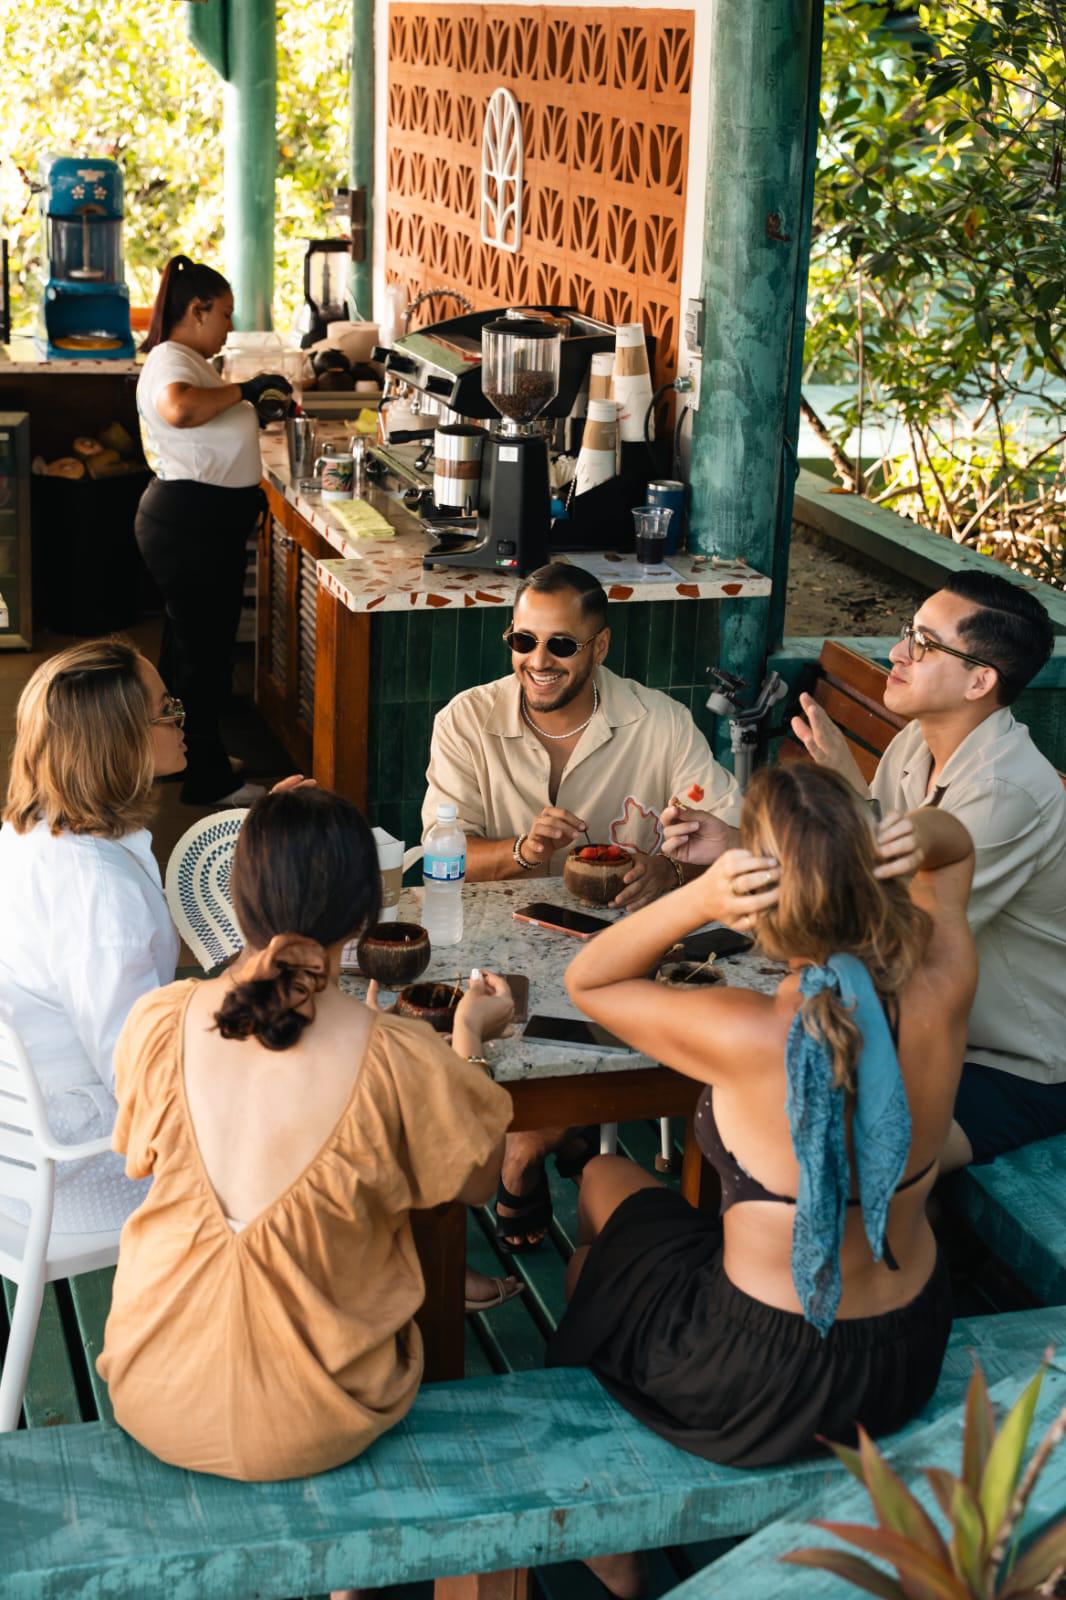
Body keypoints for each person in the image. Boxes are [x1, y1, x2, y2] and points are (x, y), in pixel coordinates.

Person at [548, 765, 975, 1532]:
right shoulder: (942, 982)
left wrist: (698, 896)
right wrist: (922, 830)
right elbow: (954, 854)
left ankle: (609, 1526)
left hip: (763, 1376)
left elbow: (590, 981)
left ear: (763, 897)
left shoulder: (748, 1031)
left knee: (595, 1219)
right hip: (906, 1350)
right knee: (616, 1192)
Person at [97, 787, 515, 1481]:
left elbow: (145, 1153)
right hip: (320, 1416)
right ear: (363, 915)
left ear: (237, 899)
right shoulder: (398, 1057)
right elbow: (476, 1185)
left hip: (150, 1386)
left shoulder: (159, 1021)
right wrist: (470, 1037)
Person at [423, 561, 743, 1253]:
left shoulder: (659, 722)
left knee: (617, 1015)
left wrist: (670, 864)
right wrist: (524, 852)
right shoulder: (466, 719)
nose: (537, 662)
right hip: (493, 947)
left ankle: (530, 1145)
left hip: (624, 955)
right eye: (522, 641)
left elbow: (729, 831)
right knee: (500, 1015)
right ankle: (546, 1140)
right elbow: (444, 856)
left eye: (560, 645)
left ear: (599, 648)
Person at [788, 572, 1064, 1170]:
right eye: (909, 633)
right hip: (923, 1029)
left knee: (852, 1155)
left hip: (1013, 1064)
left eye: (925, 644)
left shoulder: (1005, 789)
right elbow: (872, 867)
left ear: (980, 681)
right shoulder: (918, 739)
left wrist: (841, 794)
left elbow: (892, 933)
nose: (896, 652)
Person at [0, 638, 186, 1232]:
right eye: (165, 709)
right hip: (76, 1173)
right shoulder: (96, 888)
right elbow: (136, 1075)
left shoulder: (31, 834)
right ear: (118, 739)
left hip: (23, 1146)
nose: (181, 720)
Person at [135, 255, 291, 807]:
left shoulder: (189, 359)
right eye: (223, 314)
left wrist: (249, 406)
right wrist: (247, 391)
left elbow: (205, 420)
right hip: (190, 526)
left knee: (187, 652)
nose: (228, 326)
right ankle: (208, 781)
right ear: (196, 310)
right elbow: (178, 410)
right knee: (203, 656)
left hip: (198, 525)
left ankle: (184, 754)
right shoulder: (169, 362)